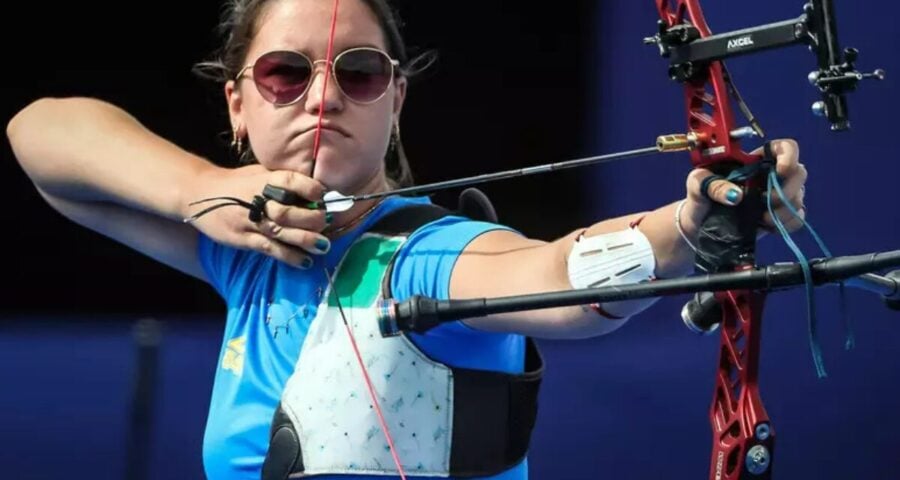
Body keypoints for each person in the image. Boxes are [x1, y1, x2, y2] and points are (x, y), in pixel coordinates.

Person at [5, 0, 809, 478]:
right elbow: (42, 139)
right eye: (286, 73)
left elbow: (556, 274)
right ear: (236, 105)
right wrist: (198, 190)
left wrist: (690, 226)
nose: (323, 96)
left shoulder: (424, 255)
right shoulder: (245, 253)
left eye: (358, 73)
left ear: (395, 102)